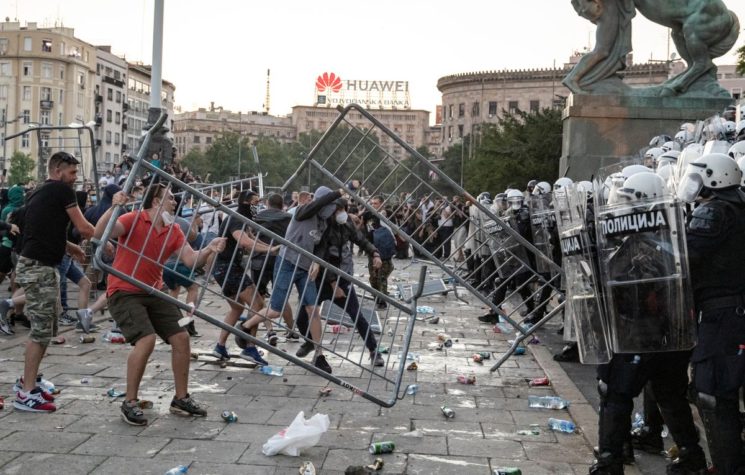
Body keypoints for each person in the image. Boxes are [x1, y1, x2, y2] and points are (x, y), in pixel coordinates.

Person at [590, 172, 707, 475]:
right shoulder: (673, 233)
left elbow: (618, 282)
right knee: (669, 394)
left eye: (627, 200)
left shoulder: (640, 242)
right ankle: (691, 454)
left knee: (615, 393)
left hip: (640, 334)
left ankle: (610, 461)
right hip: (672, 338)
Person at [93, 183, 226, 426]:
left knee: (181, 337)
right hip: (124, 290)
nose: (175, 203)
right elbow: (100, 233)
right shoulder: (133, 218)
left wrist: (209, 248)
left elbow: (191, 259)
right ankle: (130, 401)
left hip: (154, 290)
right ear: (155, 201)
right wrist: (113, 208)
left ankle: (181, 397)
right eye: (170, 198)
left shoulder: (173, 229)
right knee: (146, 339)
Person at [13, 152, 95, 412]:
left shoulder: (39, 192)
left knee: (47, 328)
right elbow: (85, 228)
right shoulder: (62, 190)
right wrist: (109, 227)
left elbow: (43, 231)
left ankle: (30, 381)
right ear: (58, 171)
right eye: (72, 173)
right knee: (40, 331)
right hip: (39, 267)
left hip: (37, 264)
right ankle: (26, 393)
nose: (75, 179)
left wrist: (71, 247)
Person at [680, 153, 745, 474]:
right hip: (732, 313)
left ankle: (727, 468)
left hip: (723, 316)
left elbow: (686, 259)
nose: (692, 185)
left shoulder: (713, 212)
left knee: (713, 393)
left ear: (714, 179)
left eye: (697, 178)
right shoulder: (737, 207)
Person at [242, 186, 343, 374]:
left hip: (306, 269)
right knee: (275, 310)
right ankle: (245, 327)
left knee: (313, 309)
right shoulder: (302, 211)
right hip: (287, 263)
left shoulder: (324, 223)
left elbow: (321, 247)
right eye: (329, 204)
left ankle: (319, 355)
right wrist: (338, 192)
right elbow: (316, 205)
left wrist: (317, 262)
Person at [295, 197, 385, 367]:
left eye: (344, 209)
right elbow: (323, 257)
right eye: (338, 210)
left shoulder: (346, 224)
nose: (341, 213)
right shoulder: (324, 227)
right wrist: (333, 284)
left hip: (341, 279)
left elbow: (361, 239)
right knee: (301, 317)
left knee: (357, 316)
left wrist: (375, 253)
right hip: (321, 280)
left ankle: (374, 351)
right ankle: (310, 341)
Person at [210, 190, 279, 364]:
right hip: (228, 268)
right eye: (256, 203)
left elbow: (252, 238)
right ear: (247, 203)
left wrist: (273, 247)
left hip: (223, 268)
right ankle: (249, 347)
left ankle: (220, 346)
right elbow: (245, 242)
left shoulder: (241, 218)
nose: (258, 206)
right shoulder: (237, 218)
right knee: (257, 304)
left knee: (237, 308)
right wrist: (270, 250)